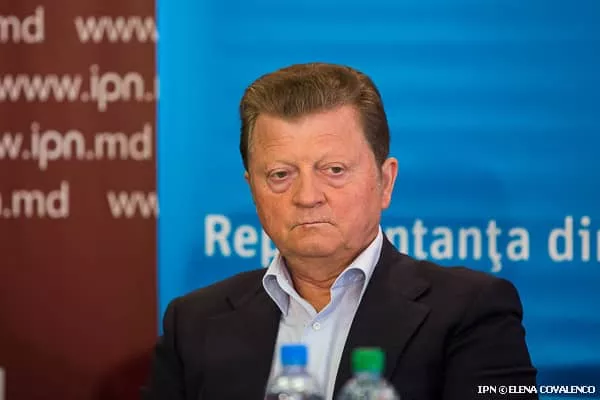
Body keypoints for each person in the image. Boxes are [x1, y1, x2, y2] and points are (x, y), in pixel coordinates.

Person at [142, 63, 537, 400]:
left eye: (334, 170)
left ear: (385, 182)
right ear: (253, 190)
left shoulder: (471, 312)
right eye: (280, 175)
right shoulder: (192, 324)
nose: (307, 197)